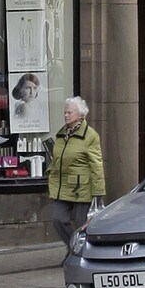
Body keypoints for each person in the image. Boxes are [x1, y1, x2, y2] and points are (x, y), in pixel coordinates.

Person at [46, 96, 105, 253]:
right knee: (58, 219)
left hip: (81, 188)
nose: (66, 115)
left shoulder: (90, 136)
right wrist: (50, 171)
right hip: (62, 186)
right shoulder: (61, 134)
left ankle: (82, 253)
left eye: (69, 112)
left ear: (80, 115)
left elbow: (97, 165)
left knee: (81, 225)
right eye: (65, 112)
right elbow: (57, 158)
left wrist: (98, 193)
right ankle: (74, 248)